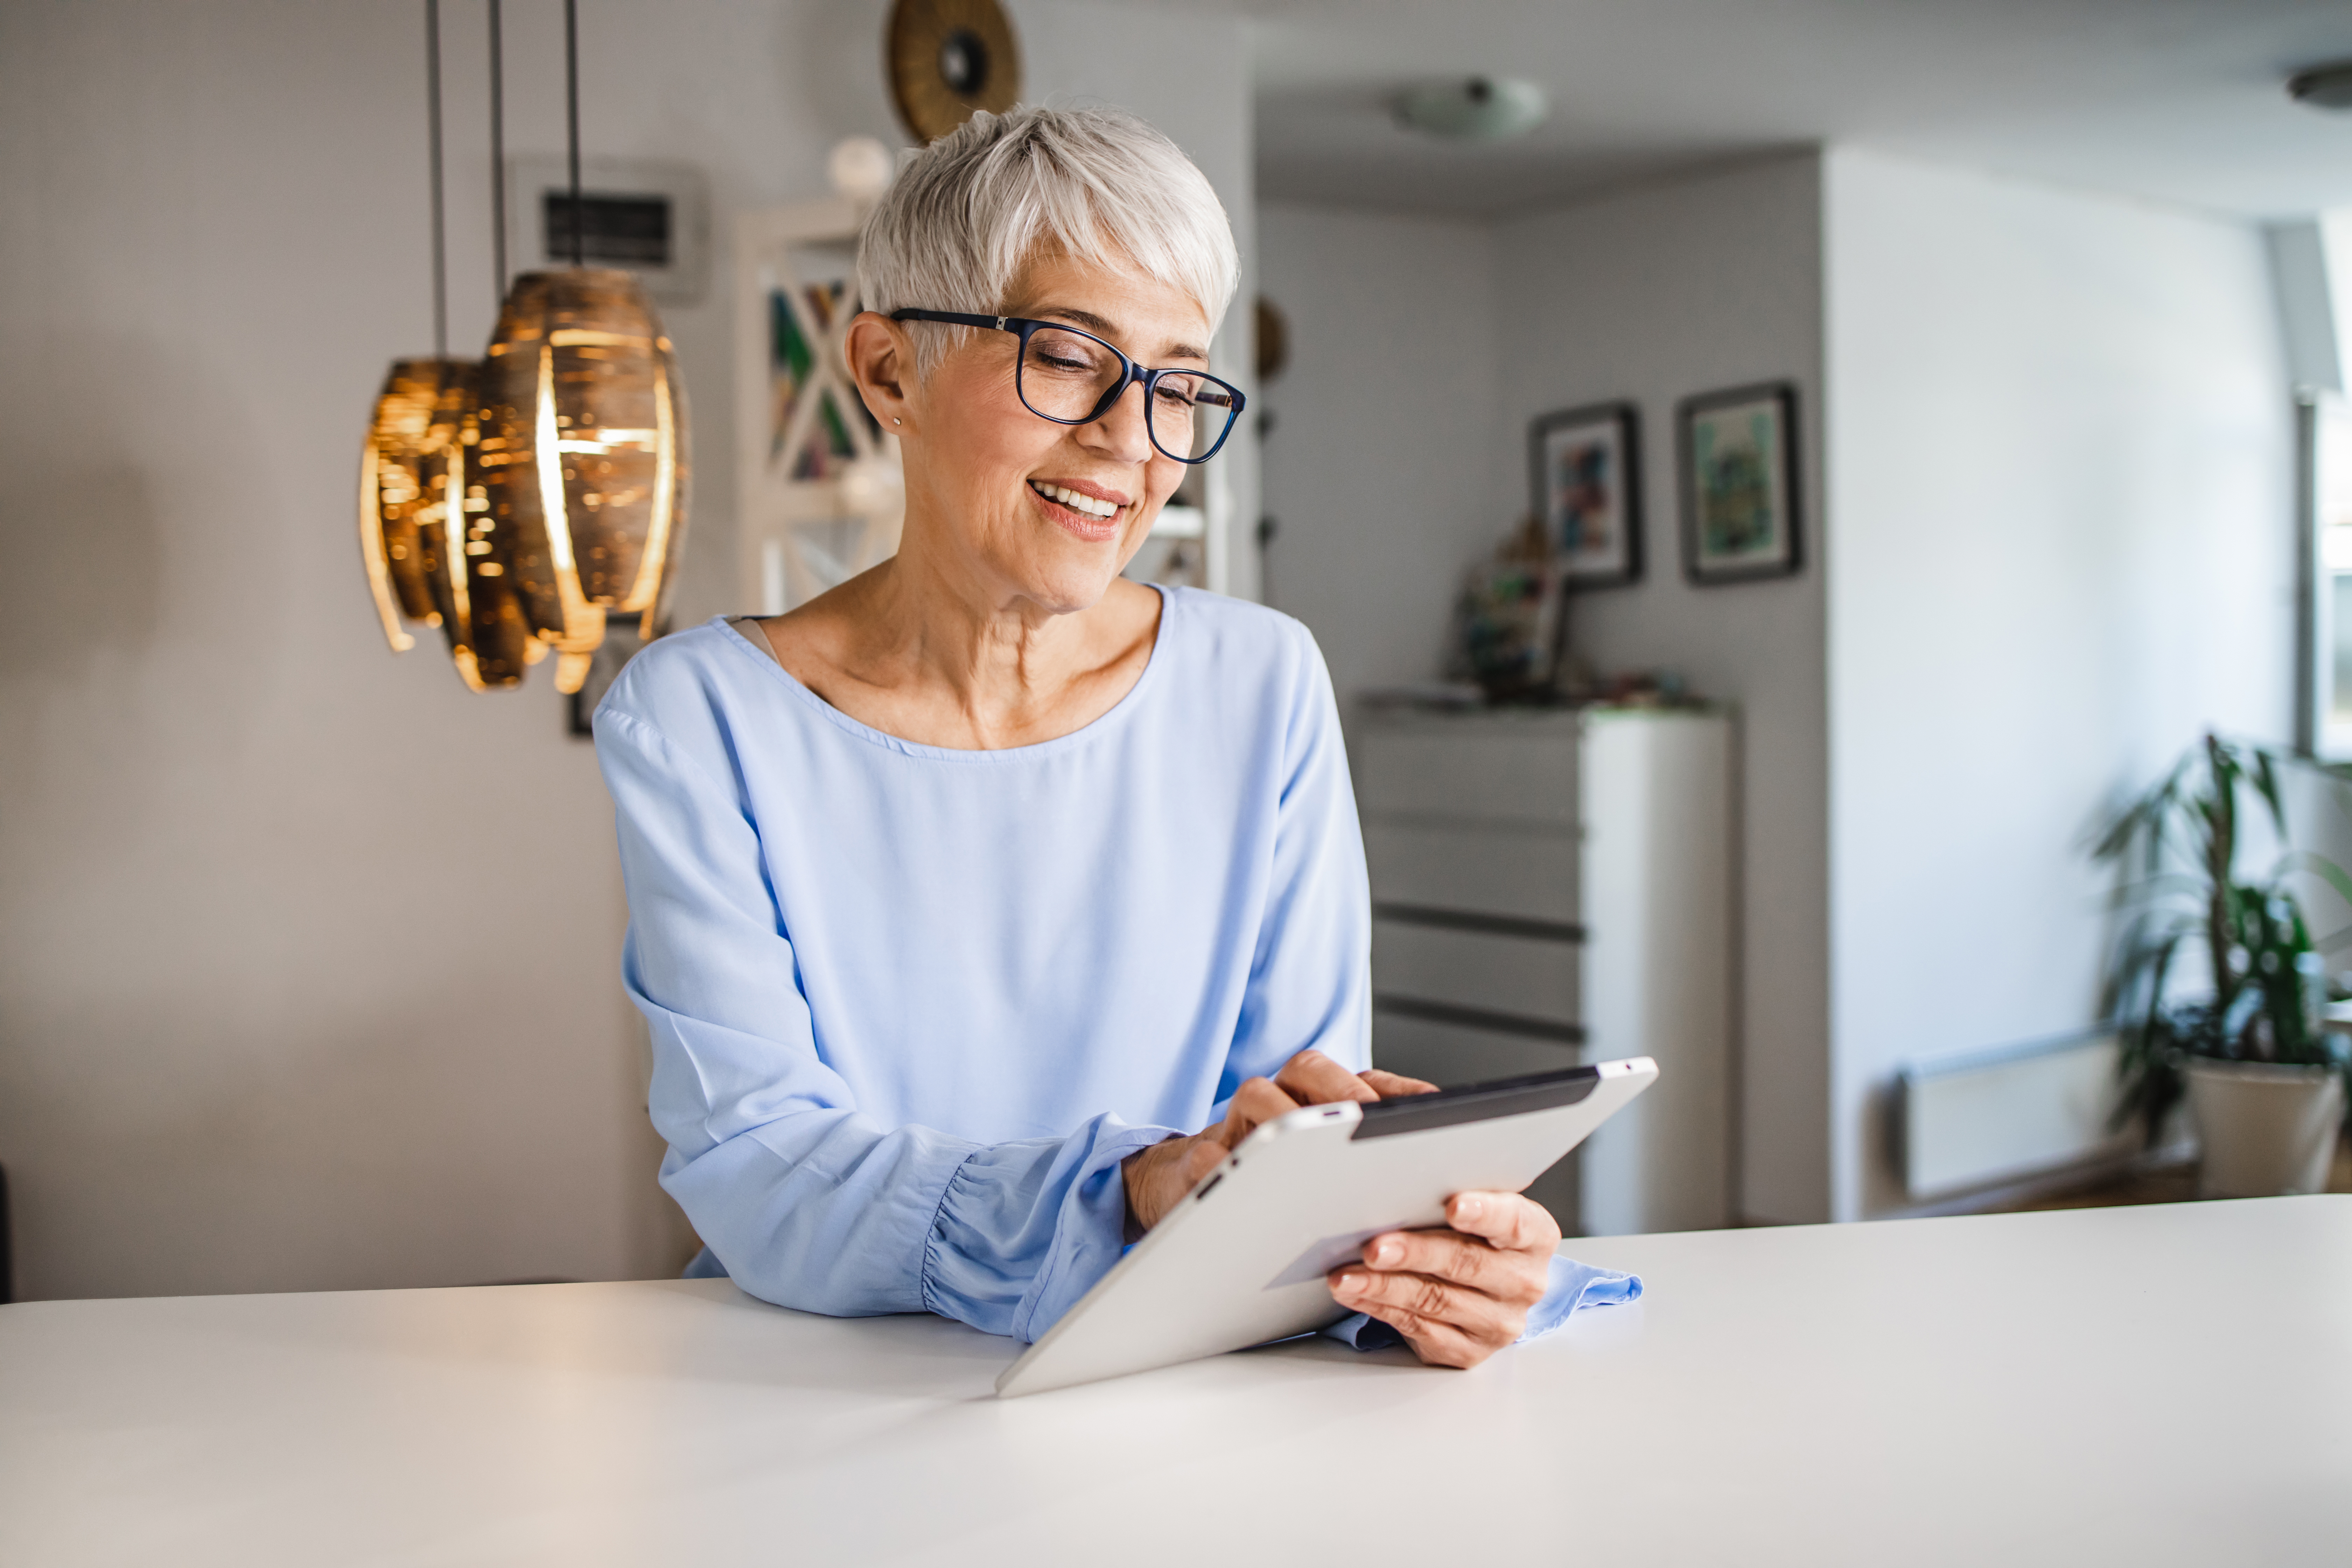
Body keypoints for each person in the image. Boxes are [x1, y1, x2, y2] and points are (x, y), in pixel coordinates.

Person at [594, 106, 1569, 1369]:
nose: (1132, 436)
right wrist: (1132, 1190)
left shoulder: (1263, 681)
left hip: (1188, 1380)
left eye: (1178, 377)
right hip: (816, 1390)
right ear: (890, 370)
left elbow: (1302, 1131)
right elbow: (766, 1173)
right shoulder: (700, 716)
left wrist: (1417, 1261)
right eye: (1067, 355)